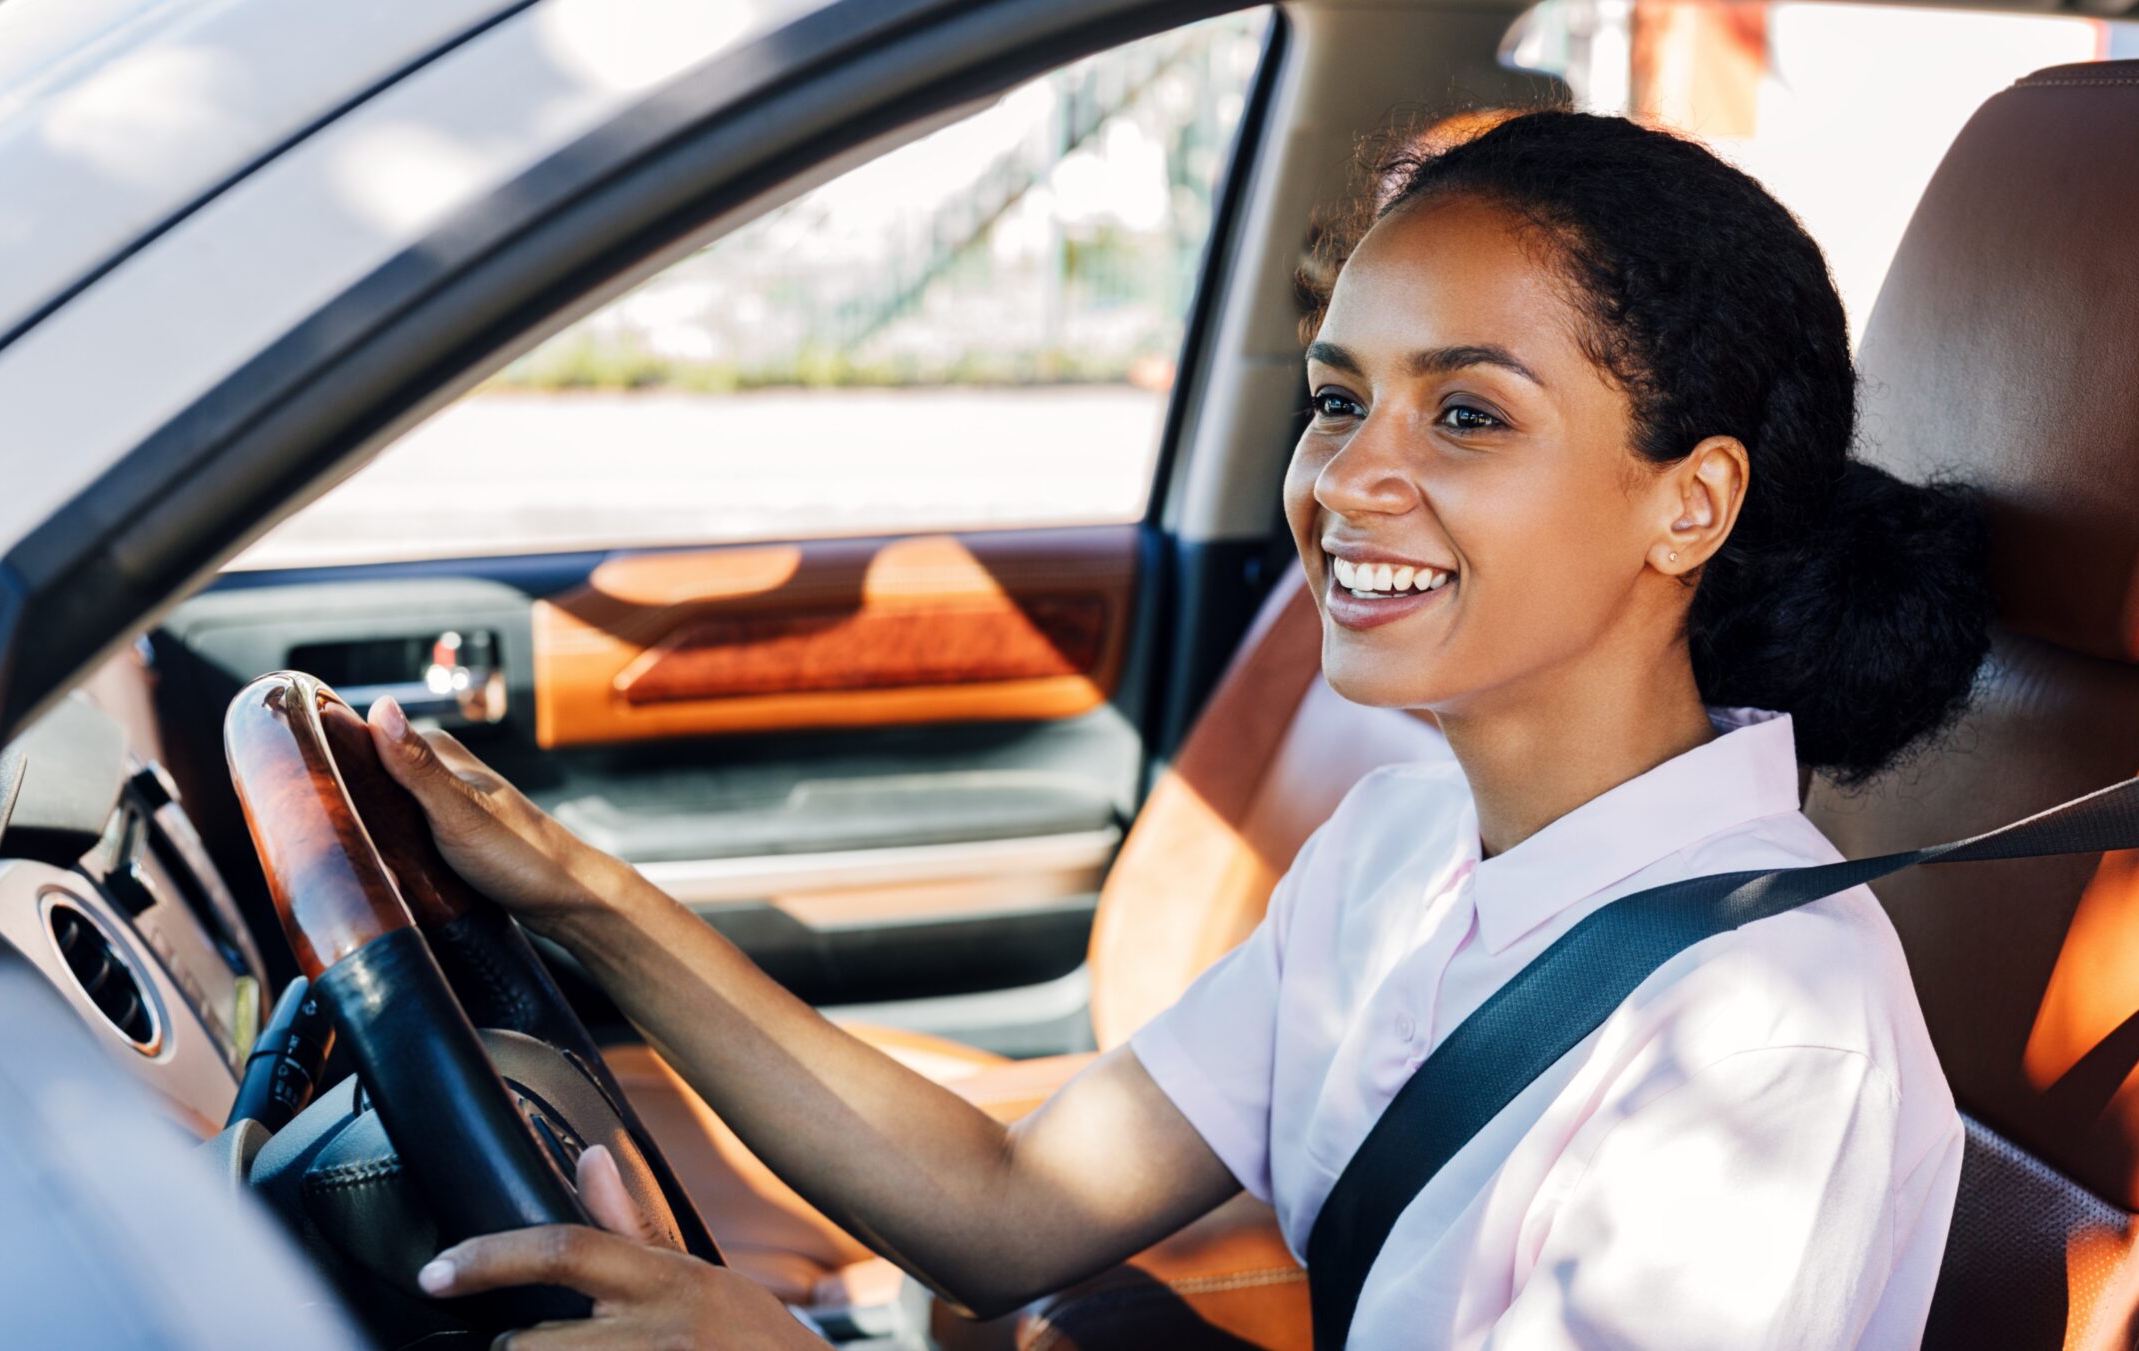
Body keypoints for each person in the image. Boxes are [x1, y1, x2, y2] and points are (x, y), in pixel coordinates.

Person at [380, 108, 1991, 1349]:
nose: (1348, 476)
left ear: (1690, 502)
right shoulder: (1406, 846)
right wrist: (580, 894)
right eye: (1339, 395)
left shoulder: (1763, 1029)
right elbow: (1010, 1204)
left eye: (1469, 413)